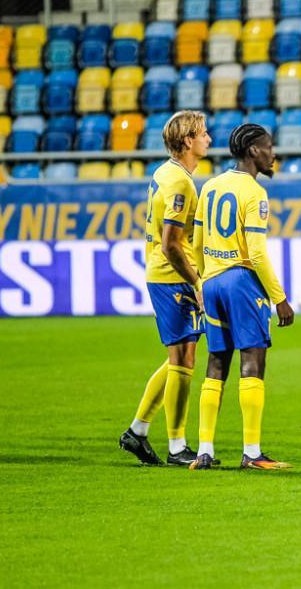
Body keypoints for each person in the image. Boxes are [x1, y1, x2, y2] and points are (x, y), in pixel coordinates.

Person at [188, 124, 296, 470]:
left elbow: (197, 242)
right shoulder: (254, 192)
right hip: (240, 280)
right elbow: (258, 253)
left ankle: (204, 450)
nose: (272, 153)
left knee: (216, 361)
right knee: (252, 359)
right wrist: (279, 297)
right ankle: (251, 453)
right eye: (268, 147)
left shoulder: (211, 186)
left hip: (212, 280)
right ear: (253, 151)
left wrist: (202, 282)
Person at [119, 111, 210, 466]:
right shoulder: (179, 184)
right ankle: (176, 446)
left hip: (167, 274)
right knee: (182, 360)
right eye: (202, 134)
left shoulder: (166, 173)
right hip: (172, 276)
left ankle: (138, 431)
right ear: (187, 140)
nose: (208, 139)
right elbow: (172, 243)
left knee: (182, 358)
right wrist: (196, 281)